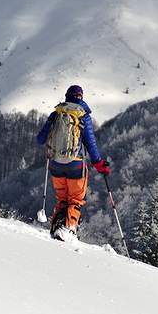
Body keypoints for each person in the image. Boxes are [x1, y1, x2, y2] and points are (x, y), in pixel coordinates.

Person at [36, 84, 110, 241]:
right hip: (76, 166)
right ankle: (67, 230)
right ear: (81, 97)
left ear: (66, 96)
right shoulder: (83, 116)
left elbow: (40, 140)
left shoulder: (56, 114)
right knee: (75, 201)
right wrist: (99, 165)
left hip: (55, 166)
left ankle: (55, 229)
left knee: (63, 199)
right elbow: (91, 145)